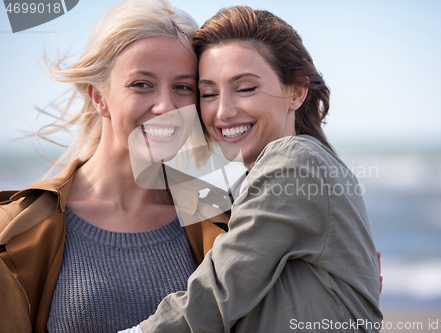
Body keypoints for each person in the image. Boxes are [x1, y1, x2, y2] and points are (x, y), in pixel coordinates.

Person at [125, 6, 383, 333]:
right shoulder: (259, 176)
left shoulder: (293, 160)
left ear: (297, 91)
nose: (224, 111)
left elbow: (217, 294)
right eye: (207, 93)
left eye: (246, 88)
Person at [0, 1, 228, 332]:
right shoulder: (15, 228)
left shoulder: (221, 211)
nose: (165, 106)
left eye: (183, 87)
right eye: (141, 84)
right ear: (99, 97)